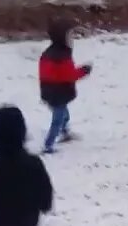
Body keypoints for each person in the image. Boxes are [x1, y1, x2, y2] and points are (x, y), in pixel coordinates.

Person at [38, 19, 93, 154]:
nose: (72, 38)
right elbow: (70, 75)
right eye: (69, 35)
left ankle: (65, 133)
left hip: (52, 92)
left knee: (64, 115)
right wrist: (84, 70)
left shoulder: (51, 52)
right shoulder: (61, 56)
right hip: (58, 93)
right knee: (58, 120)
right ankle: (48, 145)